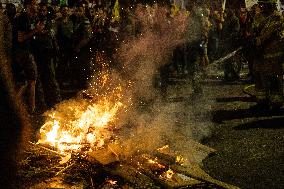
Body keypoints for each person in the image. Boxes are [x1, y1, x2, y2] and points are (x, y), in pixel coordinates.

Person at [251, 0, 284, 109]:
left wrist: (259, 40)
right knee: (258, 76)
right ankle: (262, 101)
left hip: (273, 53)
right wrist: (252, 39)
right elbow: (253, 29)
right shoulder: (258, 16)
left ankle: (276, 102)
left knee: (273, 77)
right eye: (262, 4)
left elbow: (269, 32)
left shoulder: (277, 17)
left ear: (272, 5)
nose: (262, 6)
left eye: (265, 4)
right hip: (259, 54)